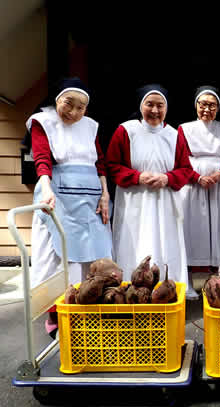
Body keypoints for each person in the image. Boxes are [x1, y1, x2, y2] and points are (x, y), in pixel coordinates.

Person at [27, 77, 113, 338]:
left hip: (92, 197)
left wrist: (106, 194)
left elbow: (99, 162)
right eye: (69, 104)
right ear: (57, 100)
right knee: (60, 256)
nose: (74, 112)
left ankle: (88, 309)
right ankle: (57, 313)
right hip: (58, 193)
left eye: (81, 107)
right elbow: (41, 157)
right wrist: (47, 188)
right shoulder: (44, 122)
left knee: (94, 256)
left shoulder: (90, 126)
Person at [106, 84, 193, 284]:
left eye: (160, 105)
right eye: (150, 105)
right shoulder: (126, 131)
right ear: (140, 105)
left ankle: (167, 286)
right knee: (134, 242)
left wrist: (167, 178)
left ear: (167, 108)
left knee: (165, 242)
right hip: (134, 201)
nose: (155, 110)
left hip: (166, 202)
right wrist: (137, 177)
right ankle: (131, 285)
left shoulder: (175, 135)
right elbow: (112, 164)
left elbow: (186, 169)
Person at [177, 86, 220, 299]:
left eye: (212, 105)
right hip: (193, 188)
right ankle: (189, 281)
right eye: (203, 104)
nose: (207, 109)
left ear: (218, 108)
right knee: (193, 232)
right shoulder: (184, 129)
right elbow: (180, 159)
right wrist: (196, 177)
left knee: (218, 231)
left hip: (218, 187)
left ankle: (216, 282)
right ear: (196, 105)